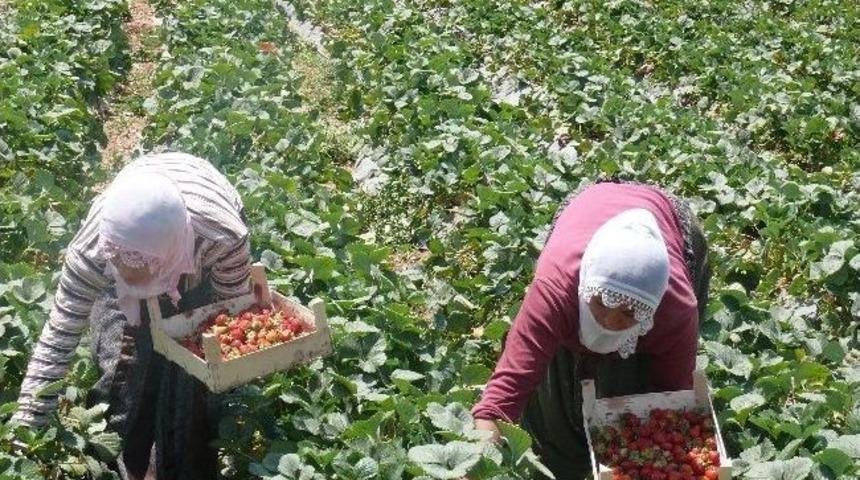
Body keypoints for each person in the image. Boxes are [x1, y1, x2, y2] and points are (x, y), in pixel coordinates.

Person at [13, 152, 252, 480]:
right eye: (129, 273)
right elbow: (58, 338)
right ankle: (121, 467)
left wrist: (214, 367)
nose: (142, 283)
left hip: (197, 250)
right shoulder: (94, 252)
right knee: (123, 371)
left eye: (147, 272)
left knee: (191, 393)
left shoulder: (222, 238)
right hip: (148, 243)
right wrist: (24, 431)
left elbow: (229, 319)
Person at [471, 180, 711, 480]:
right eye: (602, 302)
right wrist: (474, 465)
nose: (611, 321)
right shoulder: (556, 291)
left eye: (629, 312)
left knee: (634, 400)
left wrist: (649, 462)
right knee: (553, 412)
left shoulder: (674, 310)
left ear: (652, 309)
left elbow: (669, 402)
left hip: (672, 222)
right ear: (588, 286)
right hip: (586, 212)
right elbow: (504, 395)